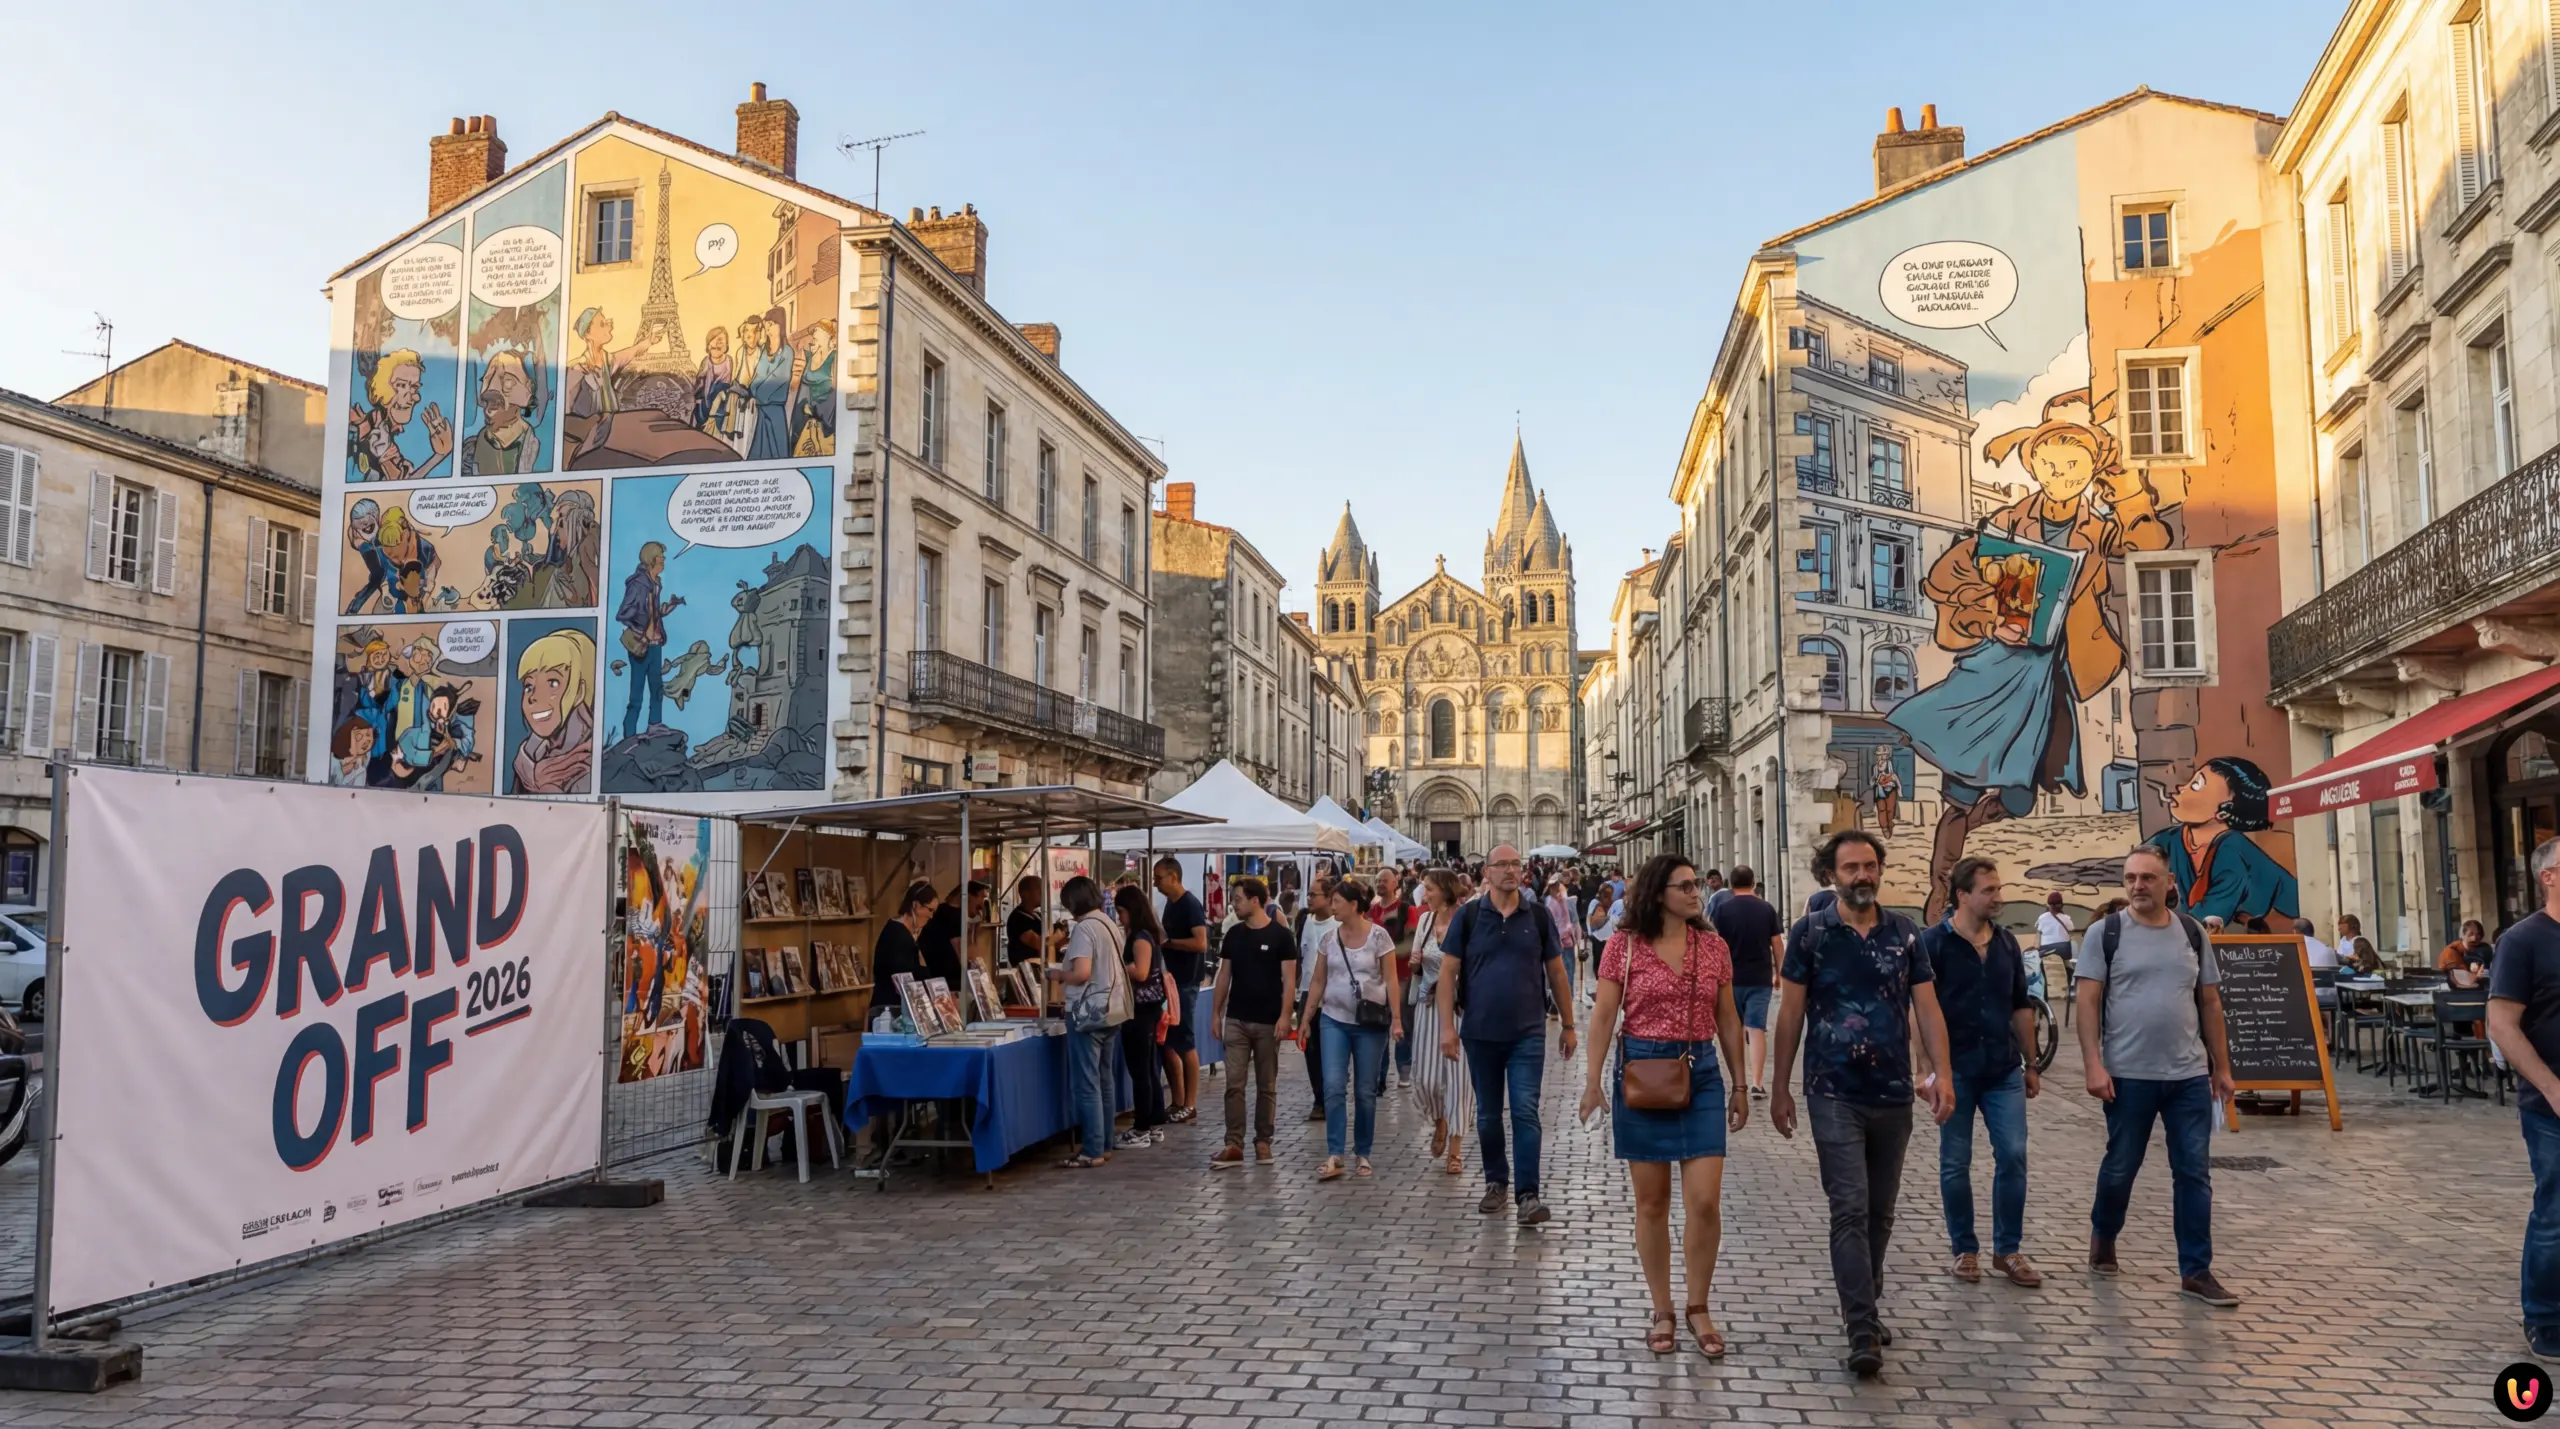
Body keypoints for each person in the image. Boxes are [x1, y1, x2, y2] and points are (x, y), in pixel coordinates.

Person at [1769, 830, 1954, 1379]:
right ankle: (1861, 1324)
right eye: (1851, 867)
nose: (1862, 875)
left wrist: (1940, 1073)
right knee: (1848, 1205)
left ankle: (1866, 1303)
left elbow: (1927, 1008)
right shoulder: (1810, 934)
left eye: (1870, 865)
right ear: (1831, 874)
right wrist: (1779, 1086)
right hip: (1832, 1089)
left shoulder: (1905, 934)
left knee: (1880, 1210)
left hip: (1893, 1092)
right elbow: (1790, 1015)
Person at [1580, 854, 1748, 1357]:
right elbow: (1605, 1014)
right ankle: (1663, 1307)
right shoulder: (1623, 948)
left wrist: (1741, 1084)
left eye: (1697, 884)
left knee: (1703, 1201)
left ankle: (1699, 1305)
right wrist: (1592, 1082)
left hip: (1700, 1074)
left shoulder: (1713, 946)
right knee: (1652, 1203)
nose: (1697, 892)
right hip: (1644, 1074)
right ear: (1659, 894)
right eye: (1686, 886)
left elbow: (1729, 1018)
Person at [2076, 845, 2239, 1308]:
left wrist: (2221, 1068)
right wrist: (2093, 1063)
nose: (2137, 886)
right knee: (2121, 1166)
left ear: (2170, 884)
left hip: (2188, 1075)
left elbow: (2209, 1002)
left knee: (2193, 1172)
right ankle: (2104, 1233)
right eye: (2130, 878)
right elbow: (2088, 1001)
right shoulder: (2105, 933)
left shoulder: (2191, 933)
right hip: (2128, 1074)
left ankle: (2196, 1270)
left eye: (2147, 878)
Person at [1916, 857, 2044, 1289]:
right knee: (1956, 1162)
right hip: (1956, 1071)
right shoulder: (1932, 944)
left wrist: (2032, 1062)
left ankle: (2007, 1250)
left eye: (1998, 888)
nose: (1998, 897)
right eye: (1989, 890)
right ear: (1963, 895)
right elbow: (1916, 1010)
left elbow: (2020, 1005)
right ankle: (1964, 1249)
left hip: (2003, 1069)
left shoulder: (2007, 943)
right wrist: (1927, 1070)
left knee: (2013, 1155)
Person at [1437, 844, 1579, 1227]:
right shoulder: (1468, 917)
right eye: (1502, 865)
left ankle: (1528, 1194)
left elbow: (1557, 972)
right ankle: (1496, 1181)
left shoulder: (1538, 915)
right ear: (1486, 872)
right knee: (1487, 1115)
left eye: (1516, 864)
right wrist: (1447, 1027)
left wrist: (1568, 1023)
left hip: (1527, 1032)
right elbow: (1447, 973)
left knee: (1524, 1111)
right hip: (1480, 1033)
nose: (1511, 870)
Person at [2488, 837, 2560, 1357]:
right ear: (2549, 877)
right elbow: (2502, 1025)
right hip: (2551, 1103)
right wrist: (2552, 1088)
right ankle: (2545, 1318)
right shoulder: (2523, 940)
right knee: (2556, 1211)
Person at [1298, 877, 1402, 1180]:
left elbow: (1391, 980)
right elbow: (1317, 981)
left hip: (1370, 1023)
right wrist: (1306, 1018)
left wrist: (1397, 1018)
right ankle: (1335, 1153)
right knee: (1332, 1085)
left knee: (1365, 1091)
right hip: (1333, 1018)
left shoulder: (1380, 937)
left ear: (1354, 905)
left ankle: (1363, 1153)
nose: (1332, 907)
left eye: (1337, 902)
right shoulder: (1329, 939)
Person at [1209, 876, 1298, 1168]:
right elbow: (1224, 975)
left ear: (1255, 900)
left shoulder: (1281, 936)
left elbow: (1289, 980)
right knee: (1234, 1084)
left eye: (1237, 899)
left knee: (1266, 1084)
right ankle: (1233, 1143)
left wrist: (1285, 1016)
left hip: (1268, 1020)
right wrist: (1216, 1013)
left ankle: (1263, 1142)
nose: (1234, 904)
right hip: (1237, 1018)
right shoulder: (1234, 935)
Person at [1048, 876, 1124, 1169]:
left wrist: (1056, 975)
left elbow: (1081, 973)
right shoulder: (1107, 923)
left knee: (1087, 1082)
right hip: (1112, 1010)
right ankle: (1104, 1144)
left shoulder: (1084, 929)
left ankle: (1091, 1149)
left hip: (1087, 1012)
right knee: (1104, 1079)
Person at [1407, 870, 1474, 1176]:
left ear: (1445, 891)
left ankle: (1456, 1151)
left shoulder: (1467, 921)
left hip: (1459, 1010)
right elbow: (1418, 964)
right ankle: (1440, 1121)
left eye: (1429, 889)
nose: (1425, 894)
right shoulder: (1424, 922)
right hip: (1428, 1006)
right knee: (1427, 1079)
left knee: (1459, 1080)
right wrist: (1415, 963)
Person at [1709, 865, 1783, 1099]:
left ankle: (1737, 1080)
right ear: (1753, 883)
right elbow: (1777, 944)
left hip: (1728, 979)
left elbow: (1713, 944)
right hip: (1760, 978)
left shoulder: (1722, 909)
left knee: (1733, 1029)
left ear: (1730, 885)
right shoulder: (1767, 909)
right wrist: (1779, 972)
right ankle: (1757, 1082)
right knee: (1756, 1028)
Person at [1113, 885, 1169, 1150]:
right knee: (1147, 1068)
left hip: (1140, 1010)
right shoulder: (1148, 935)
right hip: (1148, 1009)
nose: (1119, 916)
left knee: (1141, 1071)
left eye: (1121, 911)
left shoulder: (1140, 938)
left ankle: (1142, 1127)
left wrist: (1118, 968)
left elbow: (1142, 971)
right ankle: (1154, 1121)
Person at [1153, 858, 1208, 1126]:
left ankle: (1190, 1103)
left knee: (1184, 1041)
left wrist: (1170, 942)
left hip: (1185, 982)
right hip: (1171, 982)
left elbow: (1200, 943)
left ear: (1174, 877)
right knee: (1169, 1041)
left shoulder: (1190, 904)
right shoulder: (1170, 905)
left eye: (1159, 877)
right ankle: (1177, 1099)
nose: (1156, 883)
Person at [616, 541, 685, 743]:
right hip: (641, 645)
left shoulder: (655, 584)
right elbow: (624, 614)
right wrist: (641, 632)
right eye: (661, 557)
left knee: (656, 688)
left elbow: (653, 613)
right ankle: (629, 735)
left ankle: (655, 724)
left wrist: (667, 609)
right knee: (636, 693)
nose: (663, 561)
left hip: (655, 645)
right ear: (651, 559)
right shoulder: (639, 584)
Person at [1296, 877, 1341, 1120]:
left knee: (1331, 1049)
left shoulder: (1338, 924)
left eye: (1314, 895)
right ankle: (1319, 1098)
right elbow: (1300, 956)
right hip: (1307, 992)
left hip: (1333, 993)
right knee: (1311, 1050)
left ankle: (1332, 1095)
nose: (1310, 899)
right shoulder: (1305, 921)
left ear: (1328, 897)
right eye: (1310, 895)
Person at [872, 880, 940, 999]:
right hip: (890, 1007)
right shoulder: (897, 936)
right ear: (916, 905)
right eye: (930, 910)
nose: (931, 916)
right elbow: (905, 980)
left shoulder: (907, 933)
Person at [916, 880, 985, 993]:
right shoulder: (955, 916)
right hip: (949, 982)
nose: (982, 904)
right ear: (967, 896)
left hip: (934, 978)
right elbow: (968, 957)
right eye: (981, 897)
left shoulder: (942, 911)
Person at [1546, 875, 1580, 1007]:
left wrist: (1576, 939)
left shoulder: (1566, 902)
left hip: (1565, 944)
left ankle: (1565, 1002)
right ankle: (1558, 1002)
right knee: (1560, 973)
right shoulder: (1550, 903)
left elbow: (1575, 922)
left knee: (1566, 973)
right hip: (1558, 943)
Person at [2444, 919, 2494, 984]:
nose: (2475, 938)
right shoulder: (2452, 951)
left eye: (2478, 934)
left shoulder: (2485, 949)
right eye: (2471, 934)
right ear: (2463, 935)